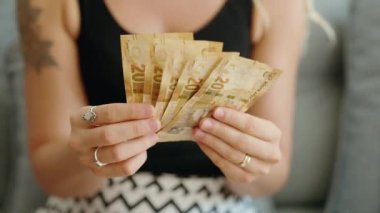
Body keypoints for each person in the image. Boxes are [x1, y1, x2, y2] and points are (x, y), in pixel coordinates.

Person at [18, 0, 306, 212]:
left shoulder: (278, 5)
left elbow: (274, 174)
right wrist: (86, 153)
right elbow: (50, 172)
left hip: (218, 203)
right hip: (92, 203)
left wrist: (248, 163)